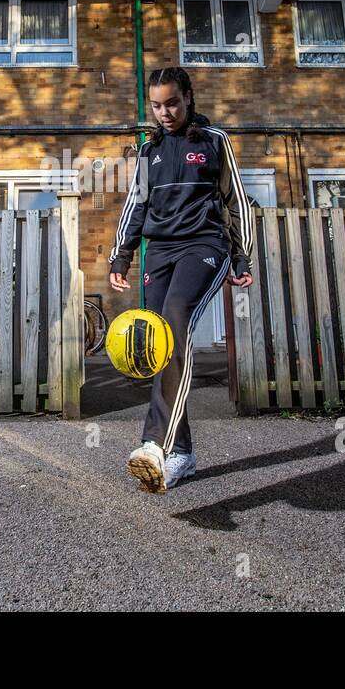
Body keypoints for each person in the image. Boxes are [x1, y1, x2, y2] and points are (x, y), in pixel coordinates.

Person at [107, 66, 255, 493]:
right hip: (162, 251)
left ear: (188, 97)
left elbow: (236, 201)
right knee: (158, 345)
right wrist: (123, 254)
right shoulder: (149, 151)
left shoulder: (214, 142)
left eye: (172, 102)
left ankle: (155, 442)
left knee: (173, 321)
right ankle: (183, 456)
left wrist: (241, 257)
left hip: (204, 246)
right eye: (156, 105)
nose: (165, 112)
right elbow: (136, 204)